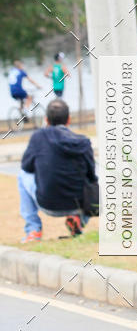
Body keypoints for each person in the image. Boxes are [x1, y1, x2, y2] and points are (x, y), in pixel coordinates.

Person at [19, 98, 96, 243]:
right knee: (95, 180)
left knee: (22, 176)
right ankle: (79, 219)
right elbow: (91, 176)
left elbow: (26, 167)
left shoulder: (38, 137)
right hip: (78, 204)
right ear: (69, 120)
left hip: (48, 203)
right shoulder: (84, 142)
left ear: (46, 120)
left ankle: (33, 230)